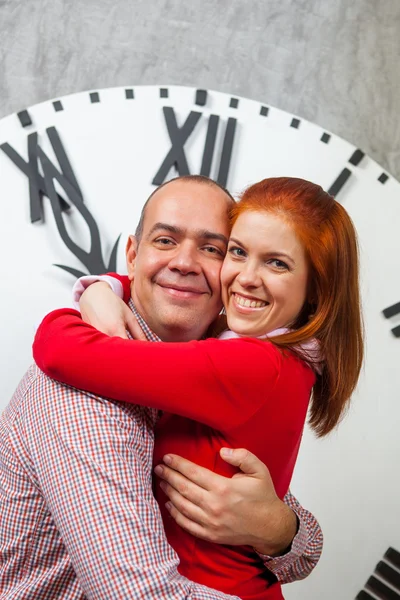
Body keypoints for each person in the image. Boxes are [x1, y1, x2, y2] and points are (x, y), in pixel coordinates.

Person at [32, 176, 363, 599]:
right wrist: (104, 287)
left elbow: (61, 349)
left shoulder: (248, 365)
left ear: (316, 288)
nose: (246, 277)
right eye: (239, 253)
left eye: (213, 249)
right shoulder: (266, 358)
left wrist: (78, 302)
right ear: (133, 256)